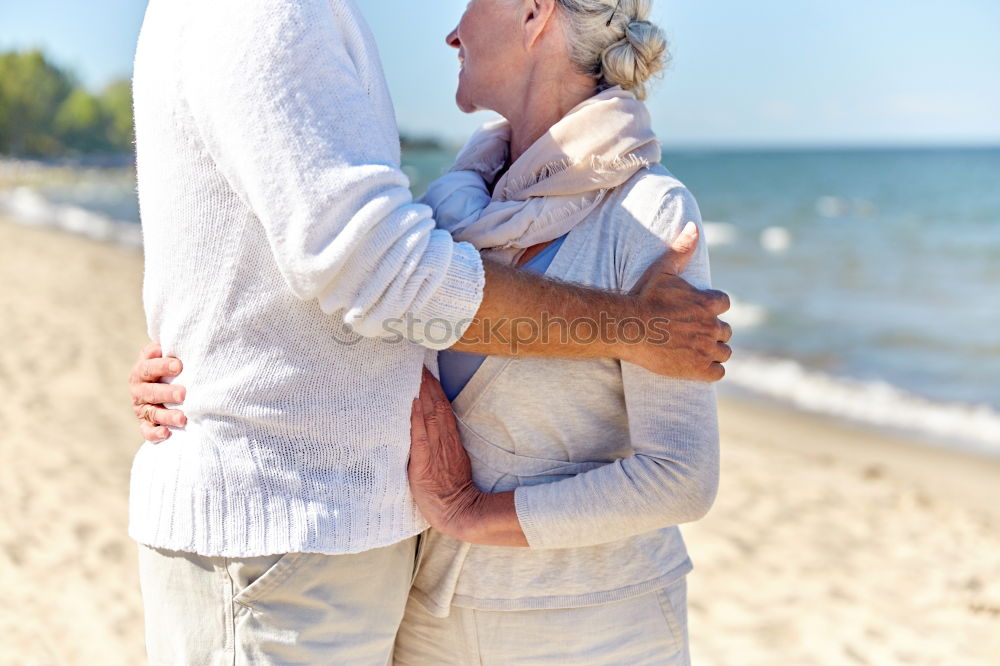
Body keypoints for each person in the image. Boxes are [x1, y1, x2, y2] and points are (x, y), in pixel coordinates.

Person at [128, 0, 730, 663]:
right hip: (429, 623)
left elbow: (680, 476)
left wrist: (476, 515)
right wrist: (196, 370)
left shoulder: (649, 215)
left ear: (535, 13)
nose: (451, 30)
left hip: (597, 631)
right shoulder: (448, 208)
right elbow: (374, 282)